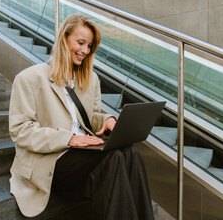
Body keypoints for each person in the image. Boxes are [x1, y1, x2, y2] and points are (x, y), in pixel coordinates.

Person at [9, 13, 154, 220]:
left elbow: (92, 114)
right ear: (63, 39)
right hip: (52, 158)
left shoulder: (90, 79)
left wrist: (107, 120)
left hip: (83, 152)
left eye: (89, 46)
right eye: (80, 43)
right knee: (113, 158)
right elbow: (21, 130)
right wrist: (68, 138)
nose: (85, 51)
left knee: (129, 152)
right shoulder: (29, 78)